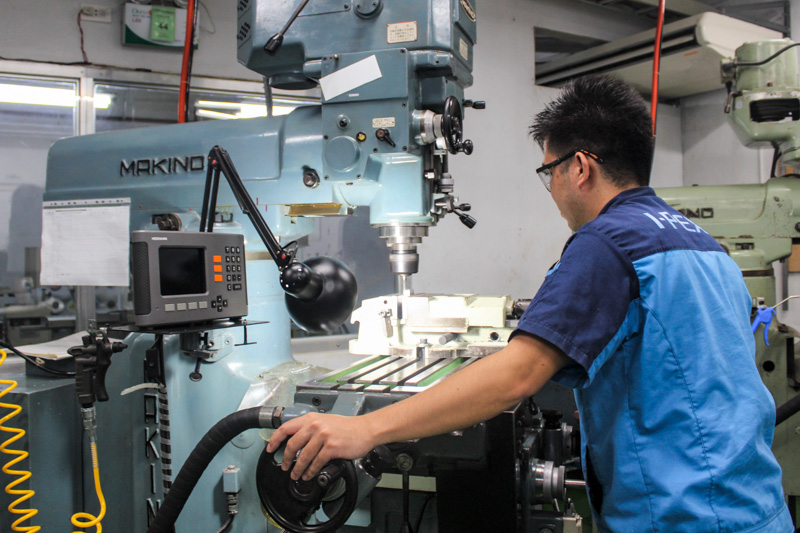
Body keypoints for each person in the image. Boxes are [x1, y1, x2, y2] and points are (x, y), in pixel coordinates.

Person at [267, 75, 793, 532]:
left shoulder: (608, 243)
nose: (551, 188)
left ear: (581, 167)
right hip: (755, 506)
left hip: (682, 518)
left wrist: (364, 428)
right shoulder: (702, 242)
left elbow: (517, 377)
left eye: (550, 172)